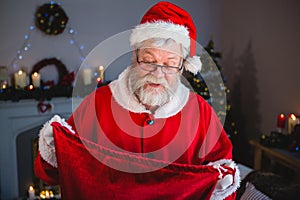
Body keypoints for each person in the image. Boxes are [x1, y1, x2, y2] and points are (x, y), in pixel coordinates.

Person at [34, 2, 240, 199]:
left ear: (183, 66)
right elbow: (52, 175)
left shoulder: (200, 112)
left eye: (169, 64)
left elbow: (223, 175)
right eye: (149, 60)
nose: (158, 73)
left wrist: (222, 182)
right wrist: (54, 148)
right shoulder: (99, 103)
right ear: (135, 55)